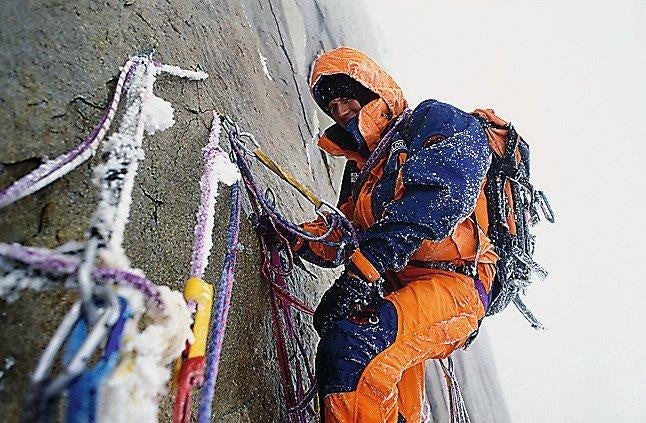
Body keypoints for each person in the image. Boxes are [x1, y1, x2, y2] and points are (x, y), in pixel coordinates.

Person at [290, 46, 499, 422]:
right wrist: (294, 236)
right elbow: (344, 233)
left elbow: (443, 196)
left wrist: (361, 273)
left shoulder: (434, 121)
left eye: (346, 97)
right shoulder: (362, 174)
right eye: (332, 106)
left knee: (354, 349)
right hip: (400, 286)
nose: (340, 111)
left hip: (457, 286)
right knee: (387, 389)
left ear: (372, 88)